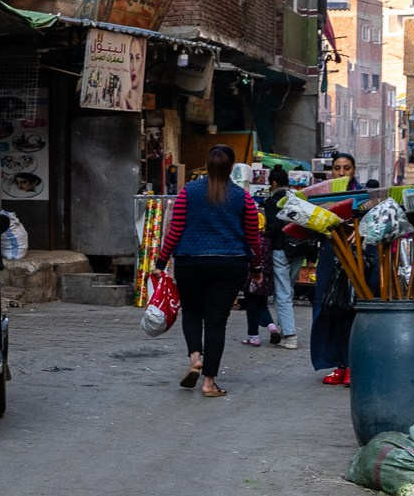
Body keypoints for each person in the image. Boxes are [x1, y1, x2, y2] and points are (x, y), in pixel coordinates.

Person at [154, 144, 268, 398]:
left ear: (208, 165)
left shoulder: (188, 192)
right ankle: (209, 382)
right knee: (216, 323)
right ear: (231, 167)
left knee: (192, 312)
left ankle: (195, 357)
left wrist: (161, 263)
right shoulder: (242, 197)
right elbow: (253, 236)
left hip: (190, 261)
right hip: (230, 263)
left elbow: (175, 230)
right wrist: (257, 266)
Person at [308, 151, 361, 384]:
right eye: (337, 168)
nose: (341, 172)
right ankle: (337, 364)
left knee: (351, 309)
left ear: (354, 170)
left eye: (346, 168)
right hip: (329, 256)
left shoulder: (363, 195)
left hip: (356, 258)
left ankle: (353, 364)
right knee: (328, 308)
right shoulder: (323, 194)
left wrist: (359, 229)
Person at [260, 164, 308, 350]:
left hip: (280, 249)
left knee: (282, 292)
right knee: (289, 288)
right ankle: (284, 330)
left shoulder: (272, 202)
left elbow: (273, 227)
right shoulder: (297, 198)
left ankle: (290, 334)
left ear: (273, 183)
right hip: (299, 249)